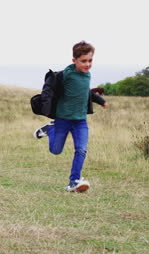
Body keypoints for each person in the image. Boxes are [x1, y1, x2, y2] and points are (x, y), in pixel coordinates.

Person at [33, 41, 107, 192]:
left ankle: (74, 181)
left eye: (90, 60)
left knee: (81, 149)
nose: (87, 64)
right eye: (83, 61)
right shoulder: (66, 74)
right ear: (74, 61)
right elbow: (50, 87)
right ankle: (50, 129)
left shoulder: (87, 75)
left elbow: (87, 92)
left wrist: (100, 100)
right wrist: (46, 107)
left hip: (80, 121)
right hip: (63, 119)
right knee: (55, 150)